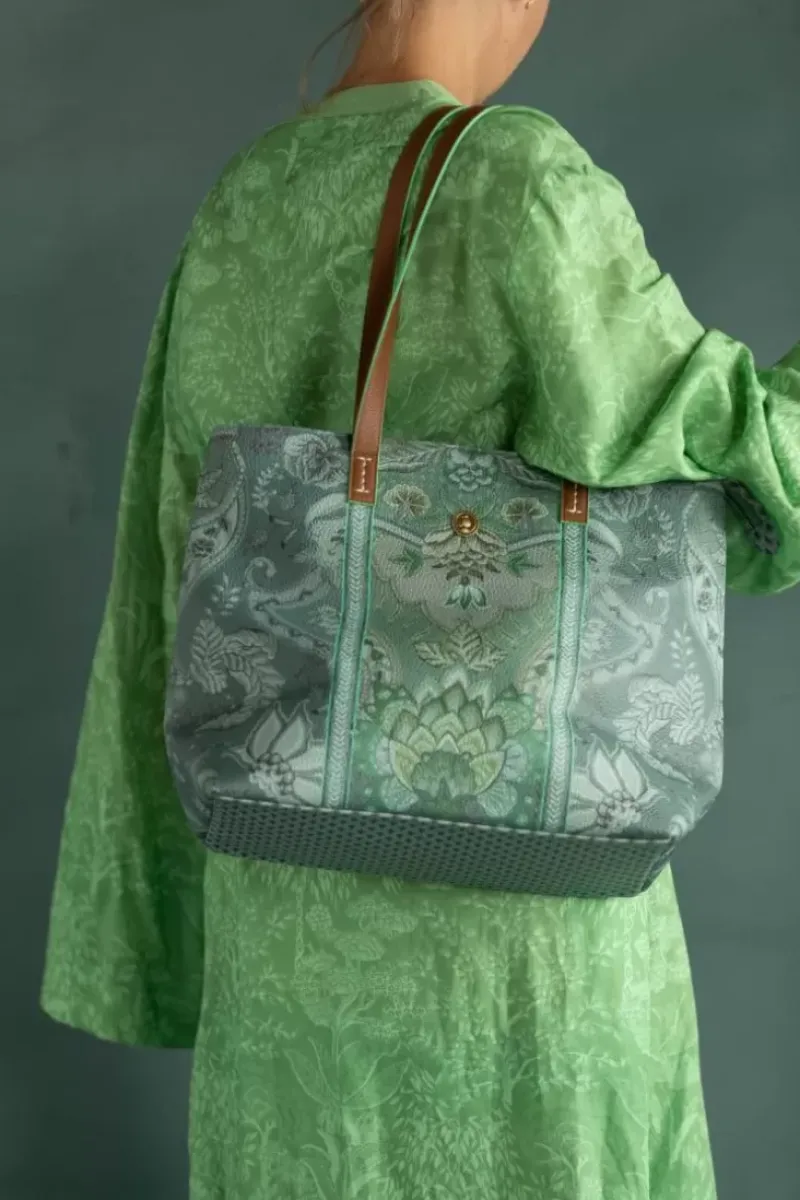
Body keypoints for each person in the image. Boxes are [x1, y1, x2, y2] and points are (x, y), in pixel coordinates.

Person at [41, 0, 800, 1196]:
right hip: (510, 979)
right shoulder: (521, 182)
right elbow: (743, 487)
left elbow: (167, 569)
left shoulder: (244, 199)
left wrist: (156, 933)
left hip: (280, 958)